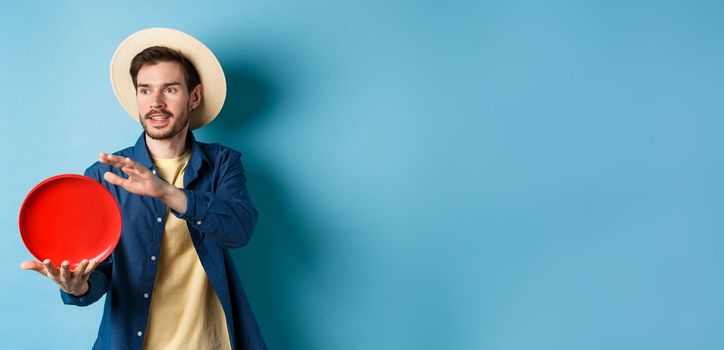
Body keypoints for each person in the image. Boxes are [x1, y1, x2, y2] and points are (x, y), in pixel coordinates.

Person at [19, 28, 267, 350]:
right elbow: (98, 273)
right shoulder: (105, 175)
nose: (156, 103)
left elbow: (239, 229)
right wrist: (77, 286)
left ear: (194, 97)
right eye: (145, 90)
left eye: (170, 89)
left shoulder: (222, 164)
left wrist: (166, 192)